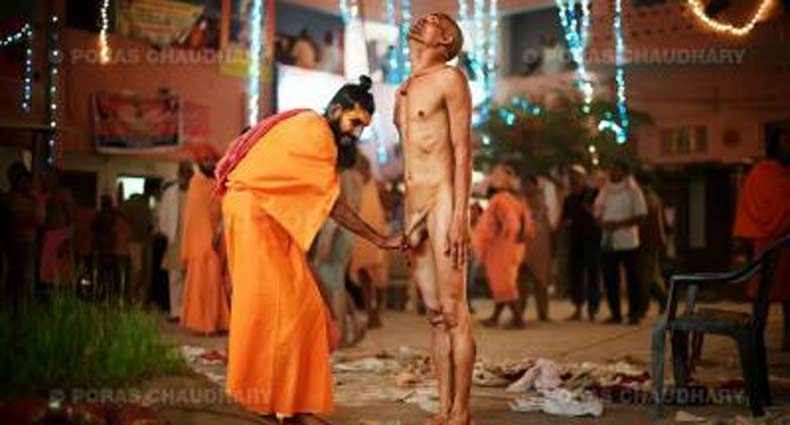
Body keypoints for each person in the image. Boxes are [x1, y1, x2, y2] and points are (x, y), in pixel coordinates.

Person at [216, 76, 404, 425]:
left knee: (300, 310)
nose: (357, 133)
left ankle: (286, 403)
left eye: (363, 127)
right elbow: (332, 205)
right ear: (335, 110)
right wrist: (380, 239)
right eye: (354, 122)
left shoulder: (311, 127)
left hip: (264, 216)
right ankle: (270, 404)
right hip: (255, 215)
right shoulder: (317, 134)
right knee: (278, 312)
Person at [395, 13, 476, 424]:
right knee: (434, 315)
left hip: (444, 202)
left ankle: (462, 411)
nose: (420, 21)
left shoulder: (450, 79)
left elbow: (463, 152)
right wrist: (405, 220)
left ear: (445, 39)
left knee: (454, 310)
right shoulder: (404, 89)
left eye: (432, 20)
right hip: (413, 207)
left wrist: (460, 215)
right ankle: (443, 408)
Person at [733, 127, 790, 350]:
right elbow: (750, 204)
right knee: (762, 293)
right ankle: (756, 335)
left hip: (788, 242)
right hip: (765, 242)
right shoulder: (760, 173)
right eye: (785, 141)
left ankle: (788, 337)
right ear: (775, 144)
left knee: (788, 293)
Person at [312, 167, 366, 347]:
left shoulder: (339, 176)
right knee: (338, 281)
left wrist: (325, 241)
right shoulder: (355, 176)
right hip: (348, 229)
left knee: (332, 283)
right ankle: (355, 321)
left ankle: (342, 332)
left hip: (337, 227)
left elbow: (337, 205)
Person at [476, 164, 533, 329]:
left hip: (501, 248)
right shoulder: (516, 199)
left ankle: (518, 319)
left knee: (503, 284)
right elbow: (526, 227)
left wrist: (502, 236)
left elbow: (512, 225)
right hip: (513, 247)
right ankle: (495, 317)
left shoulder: (499, 200)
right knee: (502, 283)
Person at [180, 150, 230, 334]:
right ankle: (203, 324)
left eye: (212, 160)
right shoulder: (196, 184)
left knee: (214, 282)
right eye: (206, 160)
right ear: (200, 163)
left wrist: (219, 231)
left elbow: (222, 211)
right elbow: (197, 216)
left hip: (215, 241)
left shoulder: (216, 183)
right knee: (203, 282)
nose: (210, 163)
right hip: (201, 242)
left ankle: (215, 323)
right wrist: (209, 236)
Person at [594, 160, 647, 325]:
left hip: (629, 241)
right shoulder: (605, 190)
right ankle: (615, 313)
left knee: (633, 279)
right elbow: (597, 212)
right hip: (609, 241)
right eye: (611, 169)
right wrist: (602, 223)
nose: (613, 173)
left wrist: (619, 224)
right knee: (610, 279)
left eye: (616, 170)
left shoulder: (633, 190)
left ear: (624, 172)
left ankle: (634, 313)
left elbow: (641, 215)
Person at [349, 155, 389, 329]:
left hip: (377, 235)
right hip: (360, 236)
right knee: (363, 273)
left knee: (380, 277)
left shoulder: (378, 184)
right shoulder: (353, 186)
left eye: (361, 167)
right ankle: (370, 313)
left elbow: (388, 204)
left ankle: (376, 313)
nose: (360, 171)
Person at [562, 165, 602, 321]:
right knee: (576, 275)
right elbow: (565, 218)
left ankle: (593, 309)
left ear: (583, 177)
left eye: (577, 176)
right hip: (575, 240)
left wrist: (590, 210)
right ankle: (578, 307)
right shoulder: (569, 198)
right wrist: (567, 223)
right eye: (571, 176)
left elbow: (600, 213)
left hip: (592, 240)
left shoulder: (594, 194)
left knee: (593, 275)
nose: (574, 179)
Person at [1, 163, 44, 306]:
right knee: (16, 276)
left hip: (28, 242)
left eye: (26, 181)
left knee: (24, 276)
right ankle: (15, 305)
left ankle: (21, 305)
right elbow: (30, 218)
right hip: (15, 242)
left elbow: (39, 219)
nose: (24, 184)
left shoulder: (32, 198)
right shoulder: (10, 198)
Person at [159, 161, 193, 321]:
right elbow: (163, 215)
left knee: (190, 278)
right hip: (175, 238)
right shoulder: (170, 193)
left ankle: (188, 312)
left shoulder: (196, 191)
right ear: (179, 174)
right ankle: (175, 312)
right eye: (183, 172)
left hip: (192, 240)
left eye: (188, 173)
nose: (185, 176)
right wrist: (166, 234)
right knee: (175, 277)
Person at [635, 172, 668, 316]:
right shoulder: (652, 198)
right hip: (647, 241)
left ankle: (650, 303)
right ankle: (649, 304)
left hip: (647, 242)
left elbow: (654, 223)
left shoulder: (648, 199)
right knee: (648, 275)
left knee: (646, 275)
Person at [519, 174, 552, 322]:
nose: (526, 188)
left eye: (528, 184)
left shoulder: (542, 203)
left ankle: (543, 313)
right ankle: (519, 312)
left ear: (535, 186)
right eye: (524, 184)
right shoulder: (518, 203)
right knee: (520, 283)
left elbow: (547, 226)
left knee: (541, 281)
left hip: (540, 248)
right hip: (522, 247)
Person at [39, 168, 76, 290]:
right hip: (48, 234)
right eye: (44, 178)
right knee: (48, 270)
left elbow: (71, 217)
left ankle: (61, 293)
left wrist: (66, 238)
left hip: (60, 233)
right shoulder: (44, 194)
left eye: (49, 177)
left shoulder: (63, 193)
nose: (45, 180)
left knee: (61, 268)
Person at [121, 180, 156, 304]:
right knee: (138, 269)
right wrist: (130, 227)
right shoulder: (135, 202)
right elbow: (121, 211)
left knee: (147, 271)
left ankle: (141, 300)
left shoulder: (150, 204)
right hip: (135, 240)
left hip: (147, 240)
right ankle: (131, 297)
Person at [91, 194, 131, 301]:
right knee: (108, 274)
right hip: (107, 249)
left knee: (106, 274)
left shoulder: (103, 215)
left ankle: (104, 295)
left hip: (106, 248)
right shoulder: (111, 215)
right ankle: (106, 295)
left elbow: (94, 228)